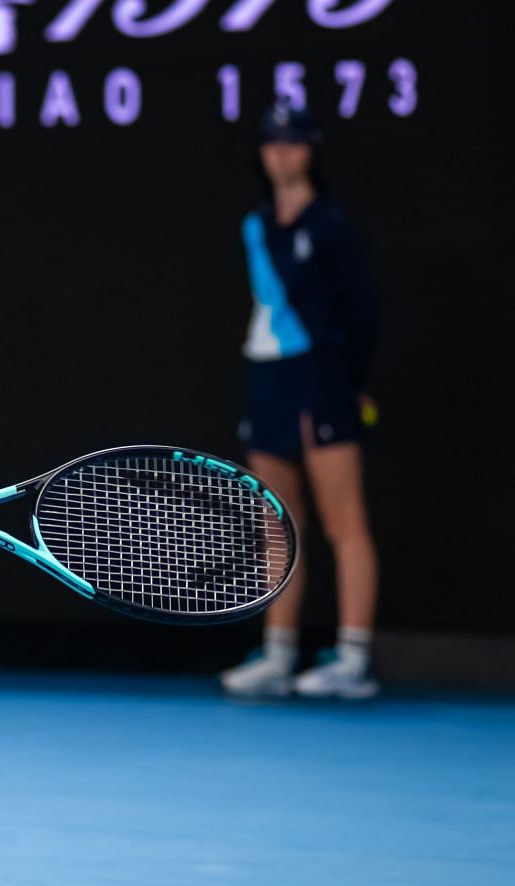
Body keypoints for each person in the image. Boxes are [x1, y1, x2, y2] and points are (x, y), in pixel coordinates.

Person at [220, 102, 381, 699]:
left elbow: (363, 315)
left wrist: (348, 380)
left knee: (344, 522)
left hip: (323, 378)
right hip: (268, 377)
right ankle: (280, 653)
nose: (280, 153)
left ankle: (354, 657)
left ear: (310, 150)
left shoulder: (331, 226)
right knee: (277, 525)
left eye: (292, 142)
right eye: (271, 143)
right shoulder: (256, 224)